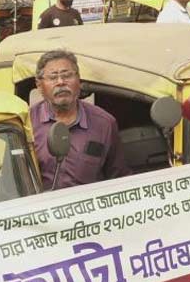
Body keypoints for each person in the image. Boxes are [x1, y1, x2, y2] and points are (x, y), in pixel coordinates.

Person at [30, 50, 130, 190]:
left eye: (67, 75)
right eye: (53, 77)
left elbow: (119, 178)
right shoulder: (27, 123)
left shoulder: (104, 124)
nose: (61, 82)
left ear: (79, 80)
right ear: (40, 85)